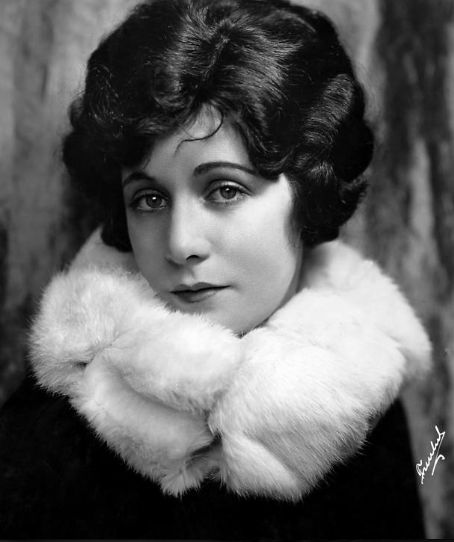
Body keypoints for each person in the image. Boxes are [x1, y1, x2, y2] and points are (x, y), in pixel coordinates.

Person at [0, 0, 431, 538]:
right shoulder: (57, 428)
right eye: (149, 199)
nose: (180, 244)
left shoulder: (361, 389)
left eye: (225, 190)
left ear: (308, 194)